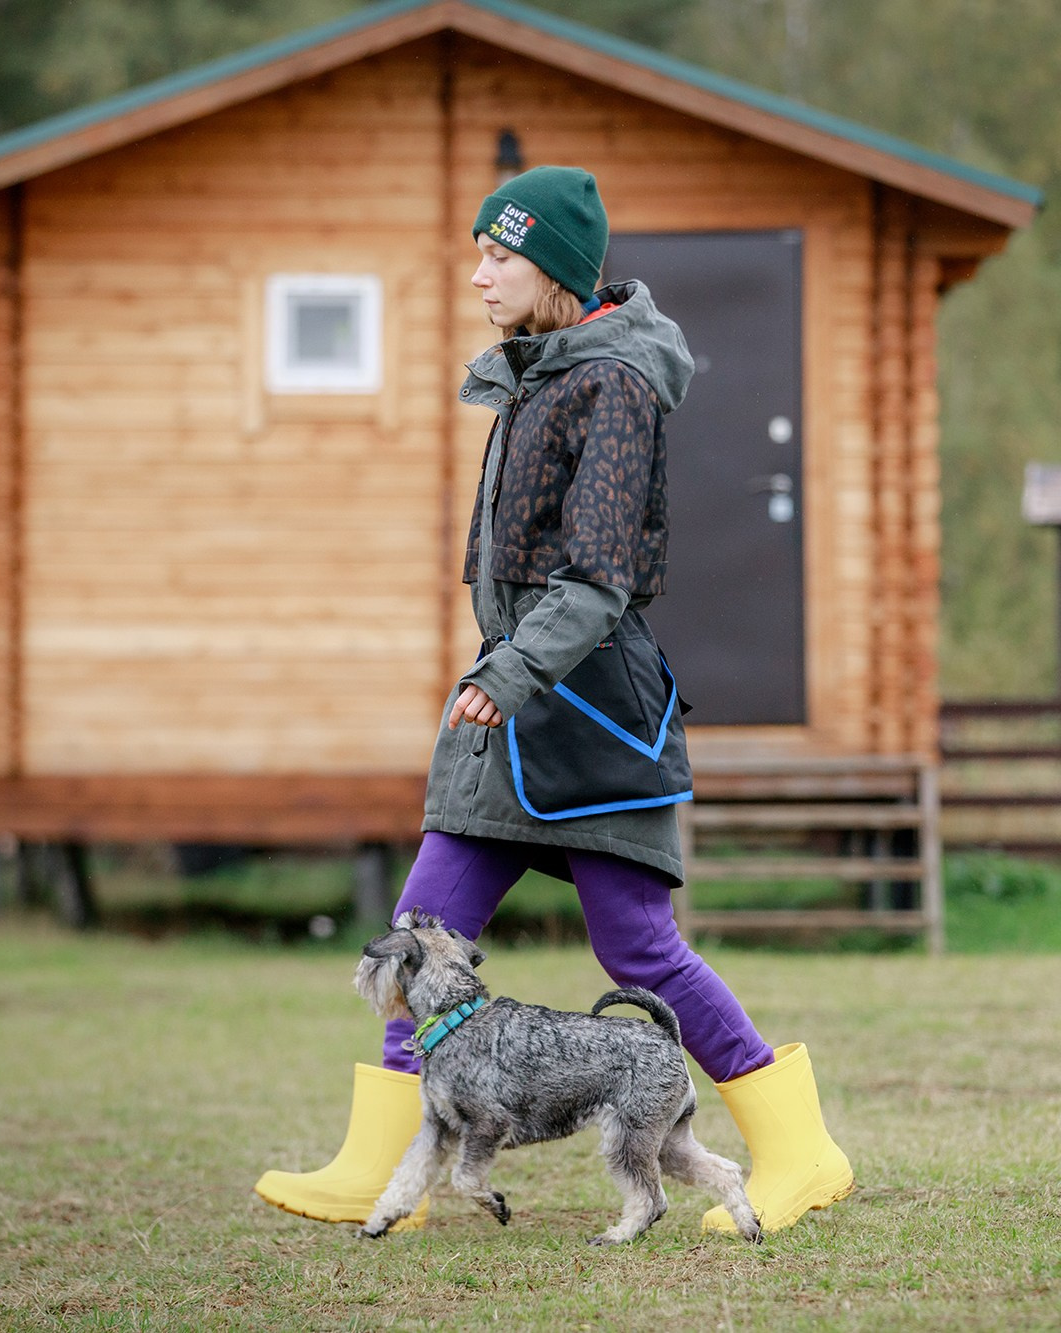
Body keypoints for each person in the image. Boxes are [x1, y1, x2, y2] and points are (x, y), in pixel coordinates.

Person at [254, 166, 851, 1235]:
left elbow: (598, 578)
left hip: (591, 712)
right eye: (476, 254)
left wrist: (504, 674)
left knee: (640, 954)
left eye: (500, 255)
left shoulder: (614, 382)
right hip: (514, 707)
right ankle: (382, 1170)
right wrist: (503, 672)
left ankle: (800, 1150)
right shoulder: (539, 369)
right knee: (420, 931)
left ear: (556, 270)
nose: (478, 275)